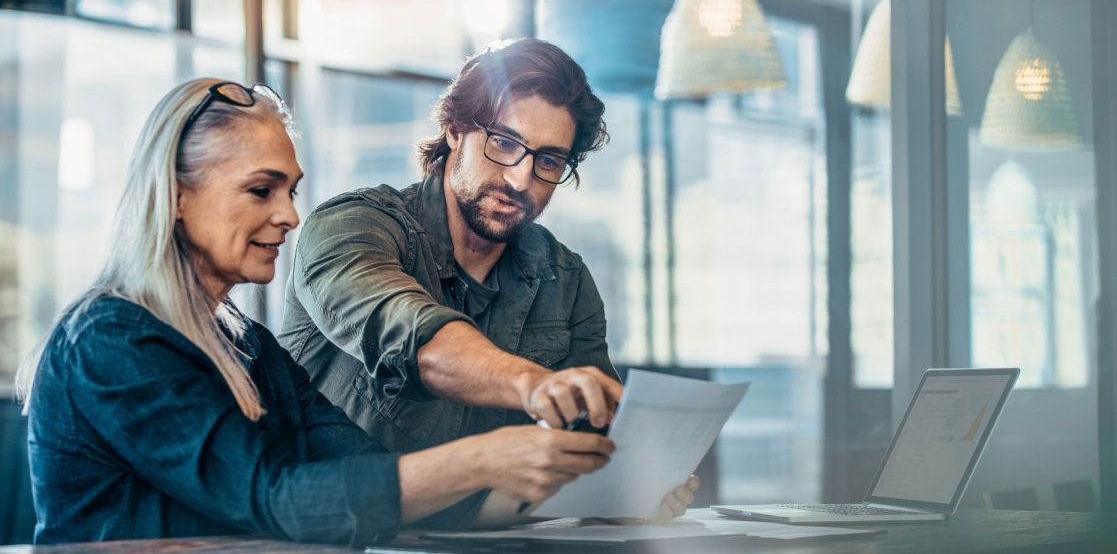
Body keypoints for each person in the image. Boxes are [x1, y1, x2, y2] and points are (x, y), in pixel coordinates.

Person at [17, 79, 692, 546]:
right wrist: (488, 454)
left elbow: (358, 468)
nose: (287, 215)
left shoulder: (245, 342)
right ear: (174, 195)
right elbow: (280, 499)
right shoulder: (113, 339)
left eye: (290, 190)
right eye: (259, 190)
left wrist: (564, 476)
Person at [278, 39, 628, 466]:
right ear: (456, 129)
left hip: (495, 529)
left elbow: (594, 430)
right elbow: (411, 335)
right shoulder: (351, 227)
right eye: (504, 143)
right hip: (335, 528)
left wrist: (635, 483)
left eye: (549, 161)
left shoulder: (565, 278)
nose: (521, 180)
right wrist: (530, 383)